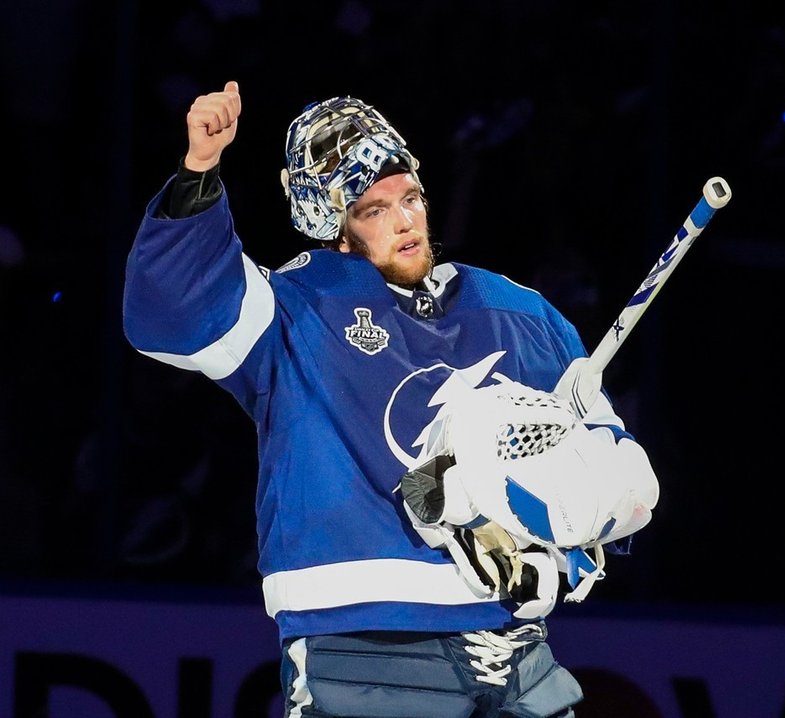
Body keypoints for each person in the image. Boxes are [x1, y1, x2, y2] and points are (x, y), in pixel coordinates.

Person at [122, 80, 660, 718]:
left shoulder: (519, 313)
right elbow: (172, 310)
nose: (404, 219)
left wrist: (575, 529)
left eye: (409, 198)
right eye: (374, 209)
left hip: (518, 655)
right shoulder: (292, 312)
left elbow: (614, 467)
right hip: (364, 652)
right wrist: (199, 172)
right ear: (337, 230)